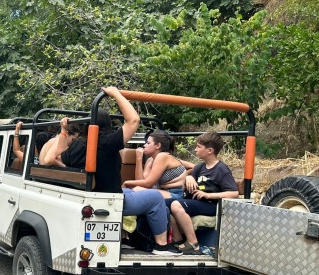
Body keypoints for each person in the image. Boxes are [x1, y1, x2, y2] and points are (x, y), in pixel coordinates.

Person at [90, 87, 181, 256]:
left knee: (133, 191)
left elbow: (51, 159)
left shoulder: (79, 145)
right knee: (154, 197)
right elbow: (133, 120)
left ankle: (130, 237)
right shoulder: (106, 143)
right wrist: (116, 93)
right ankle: (161, 245)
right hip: (109, 197)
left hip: (97, 192)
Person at [167, 131, 239, 255]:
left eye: (198, 147)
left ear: (210, 150)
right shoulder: (200, 167)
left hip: (211, 205)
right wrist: (188, 178)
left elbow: (234, 193)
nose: (195, 150)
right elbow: (185, 186)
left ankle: (193, 244)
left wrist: (209, 195)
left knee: (175, 205)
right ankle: (178, 240)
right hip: (196, 202)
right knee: (162, 204)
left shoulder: (221, 169)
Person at [122, 130, 193, 199]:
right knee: (136, 189)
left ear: (158, 145)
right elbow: (141, 182)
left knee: (137, 190)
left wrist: (186, 177)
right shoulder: (151, 160)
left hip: (177, 193)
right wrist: (139, 159)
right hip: (164, 191)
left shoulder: (163, 156)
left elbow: (148, 184)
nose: (144, 145)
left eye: (148, 143)